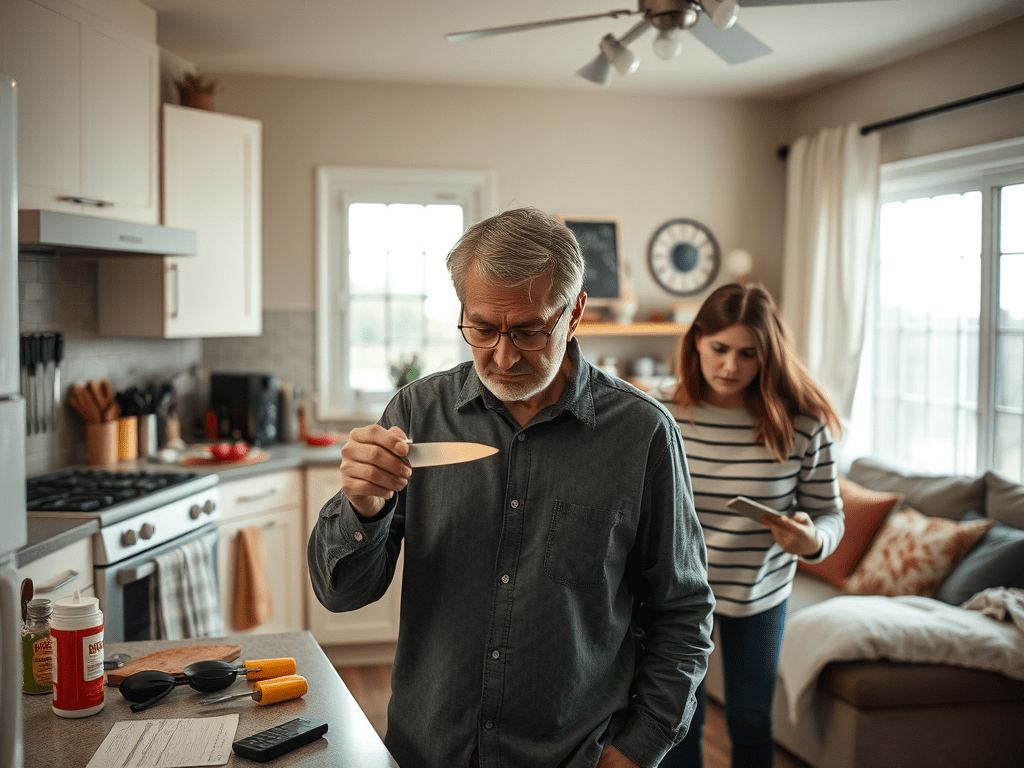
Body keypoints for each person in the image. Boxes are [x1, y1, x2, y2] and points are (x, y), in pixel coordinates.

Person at [308, 207, 715, 768]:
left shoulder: (642, 434)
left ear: (574, 314)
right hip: (429, 750)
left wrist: (637, 750)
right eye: (482, 328)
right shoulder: (416, 414)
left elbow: (683, 611)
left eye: (528, 331)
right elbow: (342, 594)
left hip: (574, 754)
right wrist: (363, 507)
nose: (503, 356)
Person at [657, 283, 844, 768]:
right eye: (720, 349)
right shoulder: (661, 415)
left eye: (748, 354)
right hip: (673, 598)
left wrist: (812, 539)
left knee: (751, 720)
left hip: (758, 594)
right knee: (678, 723)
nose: (730, 367)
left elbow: (830, 514)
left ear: (768, 357)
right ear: (696, 339)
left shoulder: (804, 425)